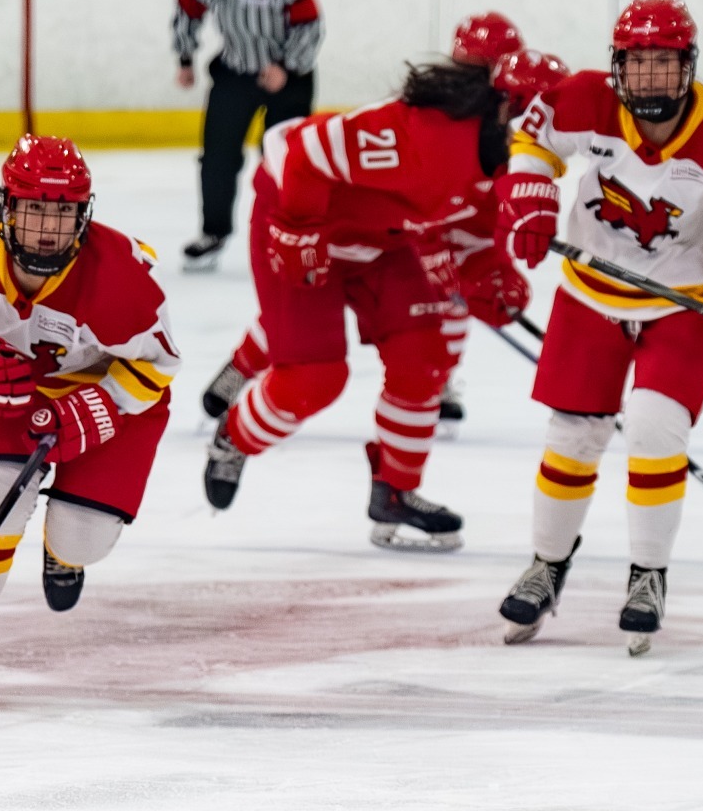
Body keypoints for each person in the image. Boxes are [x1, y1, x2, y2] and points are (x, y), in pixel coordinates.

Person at [492, 0, 703, 655]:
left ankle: (648, 575)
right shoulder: (583, 98)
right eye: (638, 65)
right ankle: (547, 565)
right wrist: (530, 193)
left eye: (664, 64)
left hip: (685, 301)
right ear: (617, 68)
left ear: (688, 68)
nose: (650, 79)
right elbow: (533, 139)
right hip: (591, 291)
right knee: (573, 435)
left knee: (658, 428)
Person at [199, 47, 560, 550]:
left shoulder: (510, 170)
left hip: (384, 243)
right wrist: (297, 229)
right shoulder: (421, 136)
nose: (543, 140)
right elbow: (302, 152)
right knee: (315, 378)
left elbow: (471, 242)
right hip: (306, 228)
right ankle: (232, 439)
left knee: (424, 358)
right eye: (531, 120)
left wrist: (490, 279)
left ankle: (395, 491)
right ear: (503, 107)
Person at [0, 136, 179, 705]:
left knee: (84, 540)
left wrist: (103, 405)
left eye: (63, 213)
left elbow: (159, 364)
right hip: (11, 393)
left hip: (110, 402)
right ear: (7, 209)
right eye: (36, 209)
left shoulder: (122, 276)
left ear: (83, 216)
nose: (48, 228)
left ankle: (62, 549)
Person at [172, 0, 323, 273]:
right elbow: (186, 10)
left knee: (284, 161)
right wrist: (186, 57)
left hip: (288, 78)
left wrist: (286, 66)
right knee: (218, 156)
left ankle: (287, 233)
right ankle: (214, 232)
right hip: (236, 72)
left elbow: (311, 24)